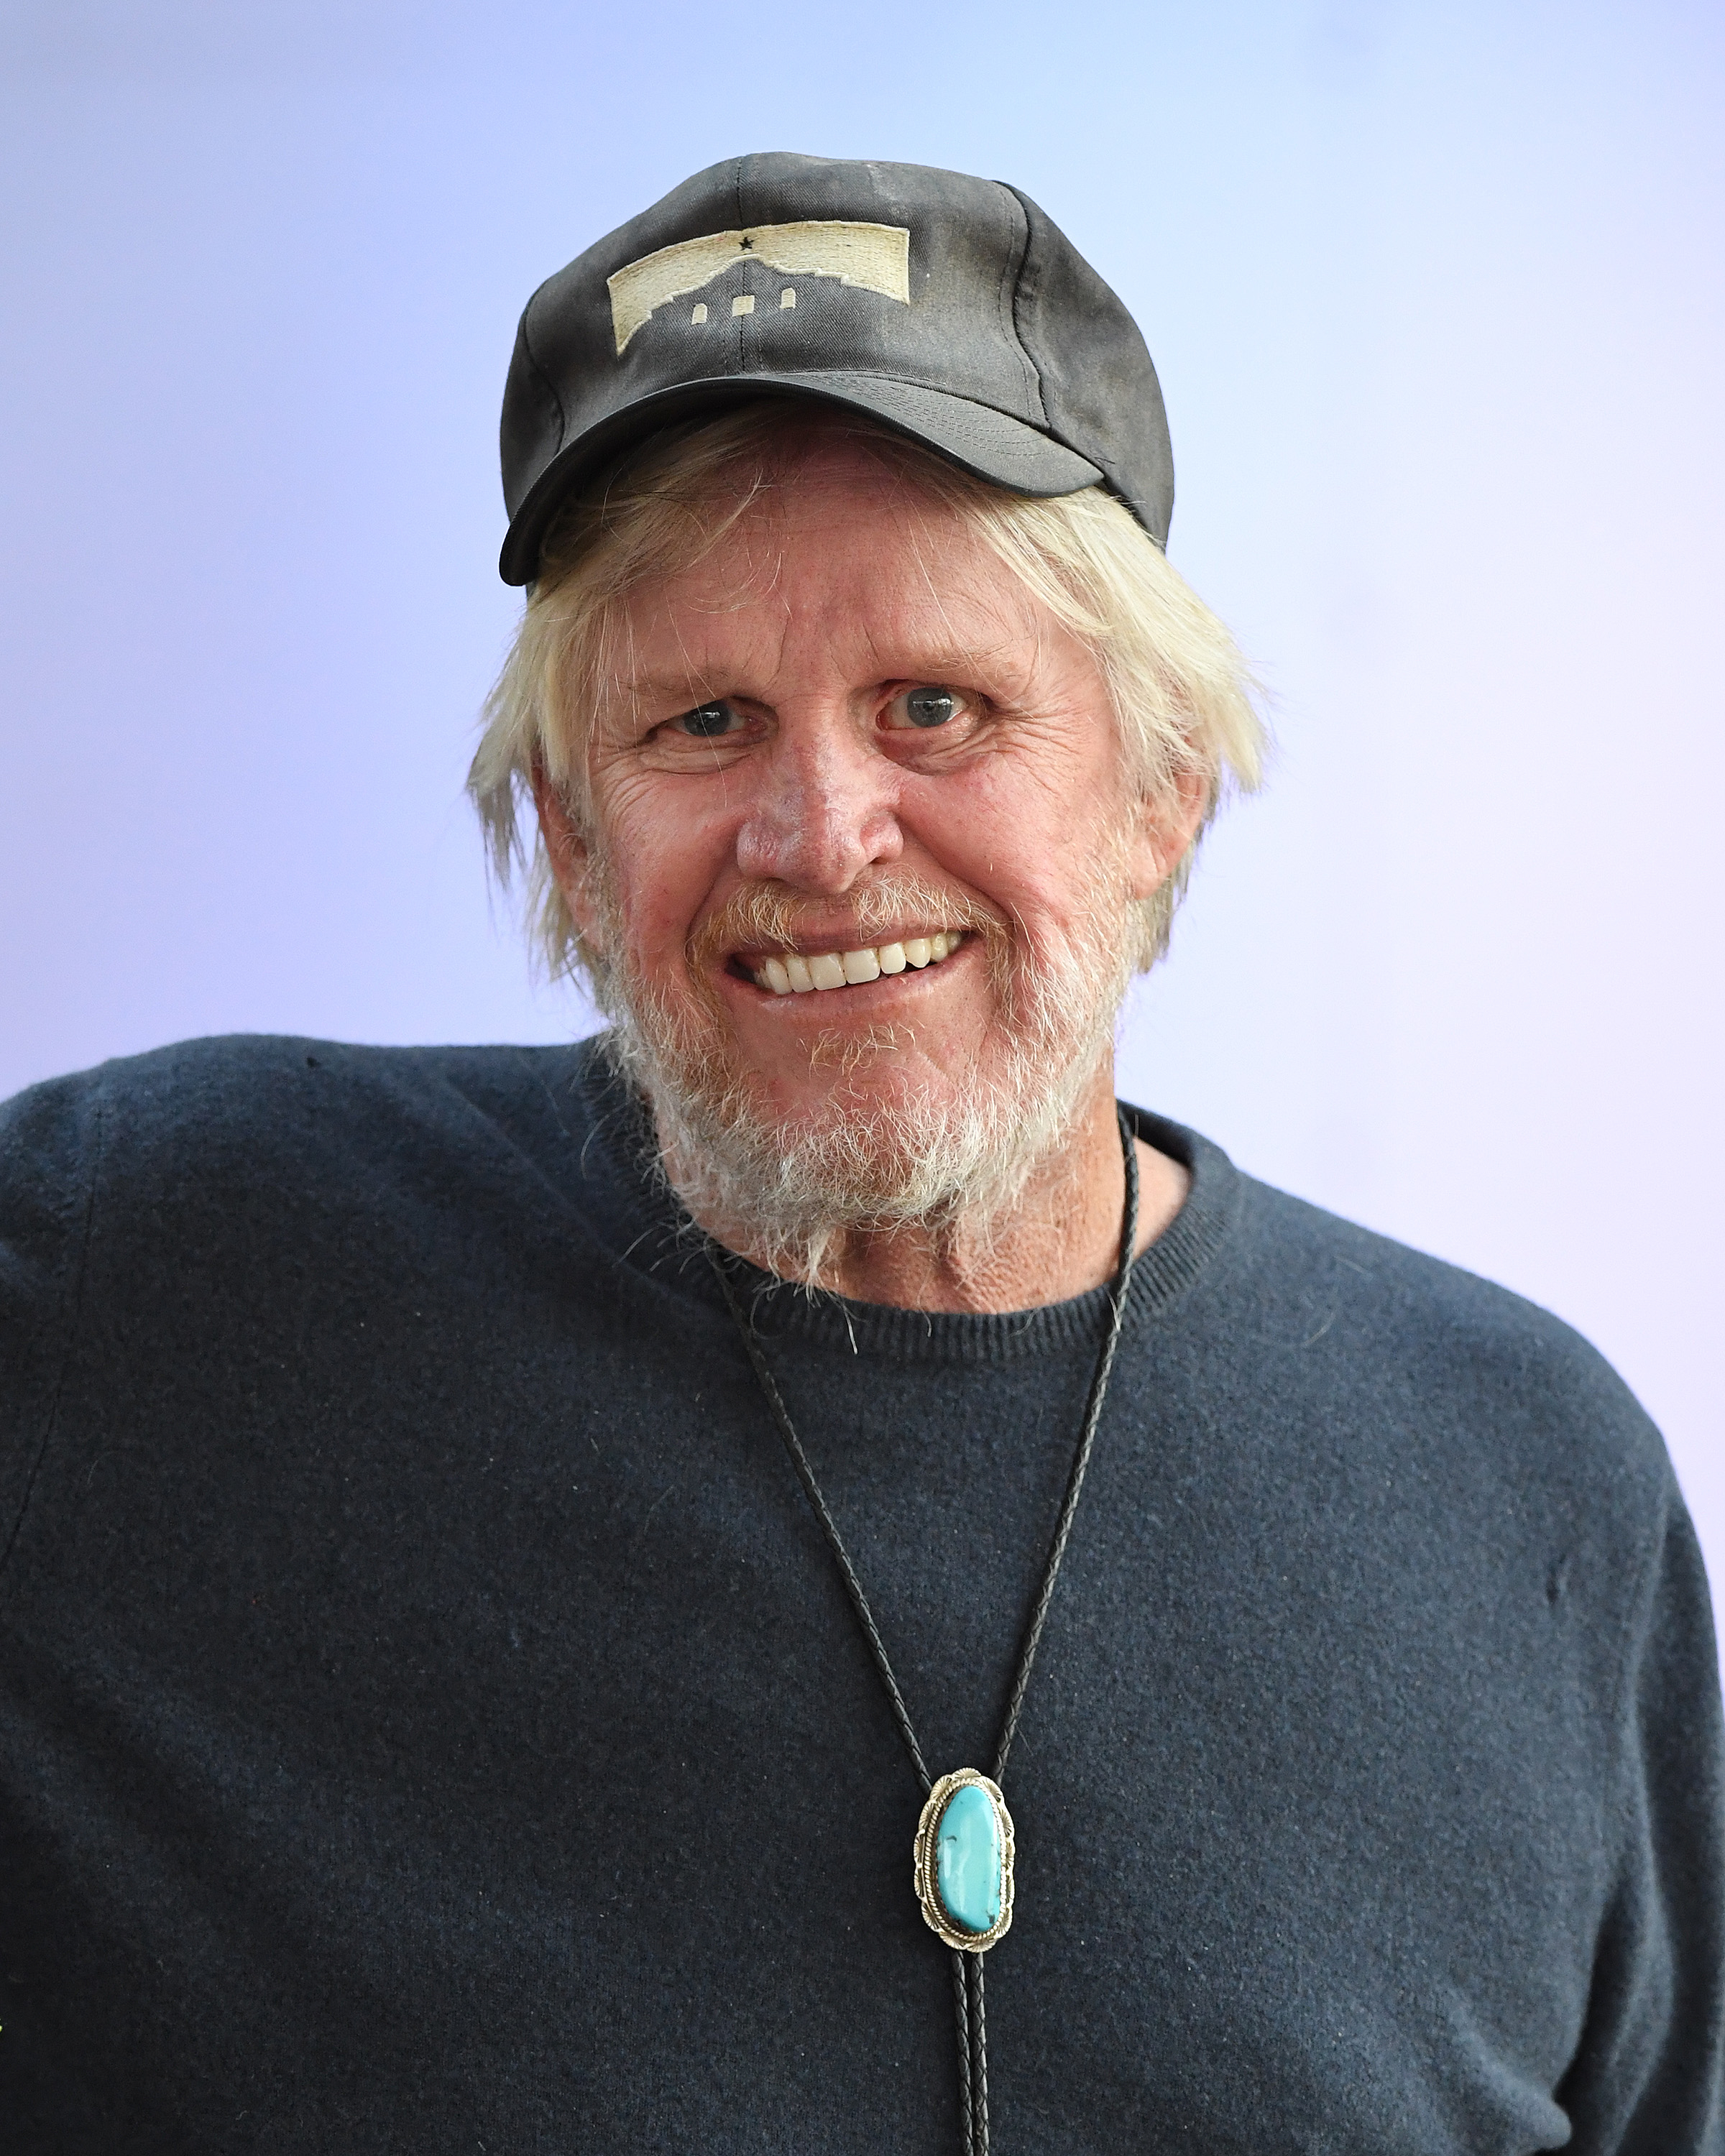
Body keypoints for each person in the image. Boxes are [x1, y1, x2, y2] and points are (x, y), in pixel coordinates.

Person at [1, 151, 1719, 2155]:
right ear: (566, 837)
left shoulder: (1521, 1484)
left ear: (1159, 791)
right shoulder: (159, 1281)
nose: (822, 836)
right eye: (703, 723)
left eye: (935, 705)